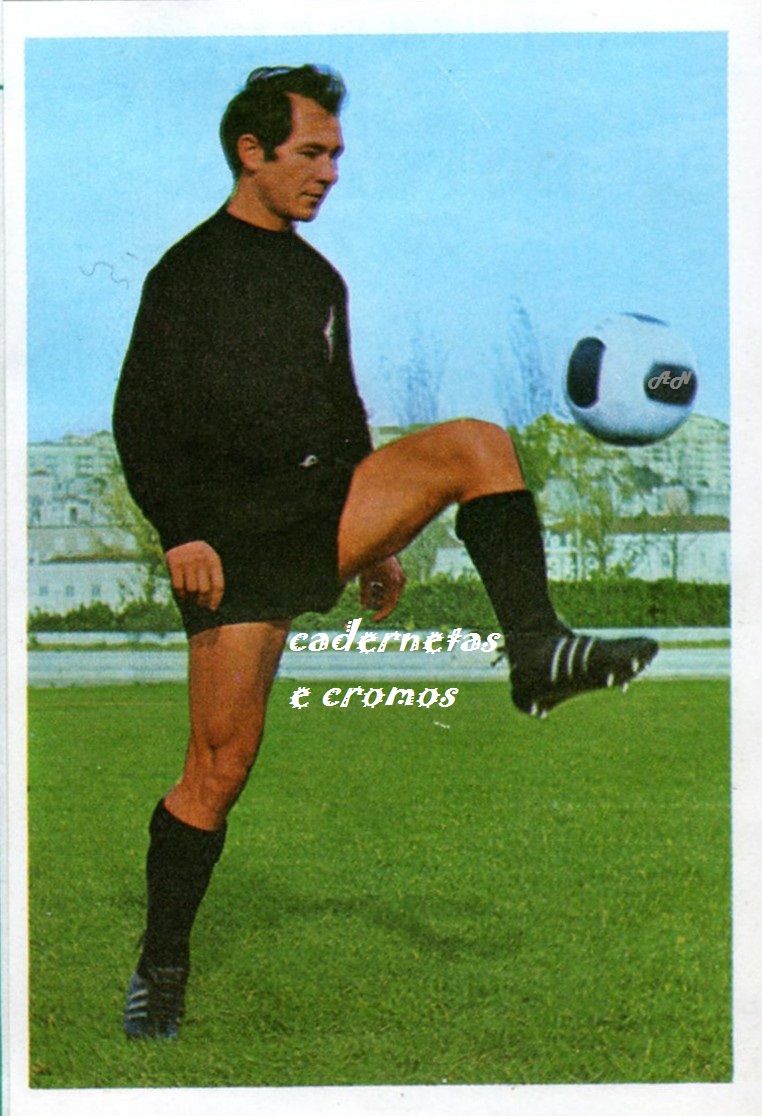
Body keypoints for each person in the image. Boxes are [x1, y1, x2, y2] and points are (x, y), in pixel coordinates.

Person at [113, 64, 657, 1041]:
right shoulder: (188, 273)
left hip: (322, 505)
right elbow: (138, 415)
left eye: (336, 155)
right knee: (219, 769)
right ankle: (162, 963)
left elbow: (343, 412)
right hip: (231, 540)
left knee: (478, 446)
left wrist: (380, 540)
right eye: (311, 153)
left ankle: (537, 652)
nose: (329, 172)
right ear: (252, 152)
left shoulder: (319, 279)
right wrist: (179, 529)